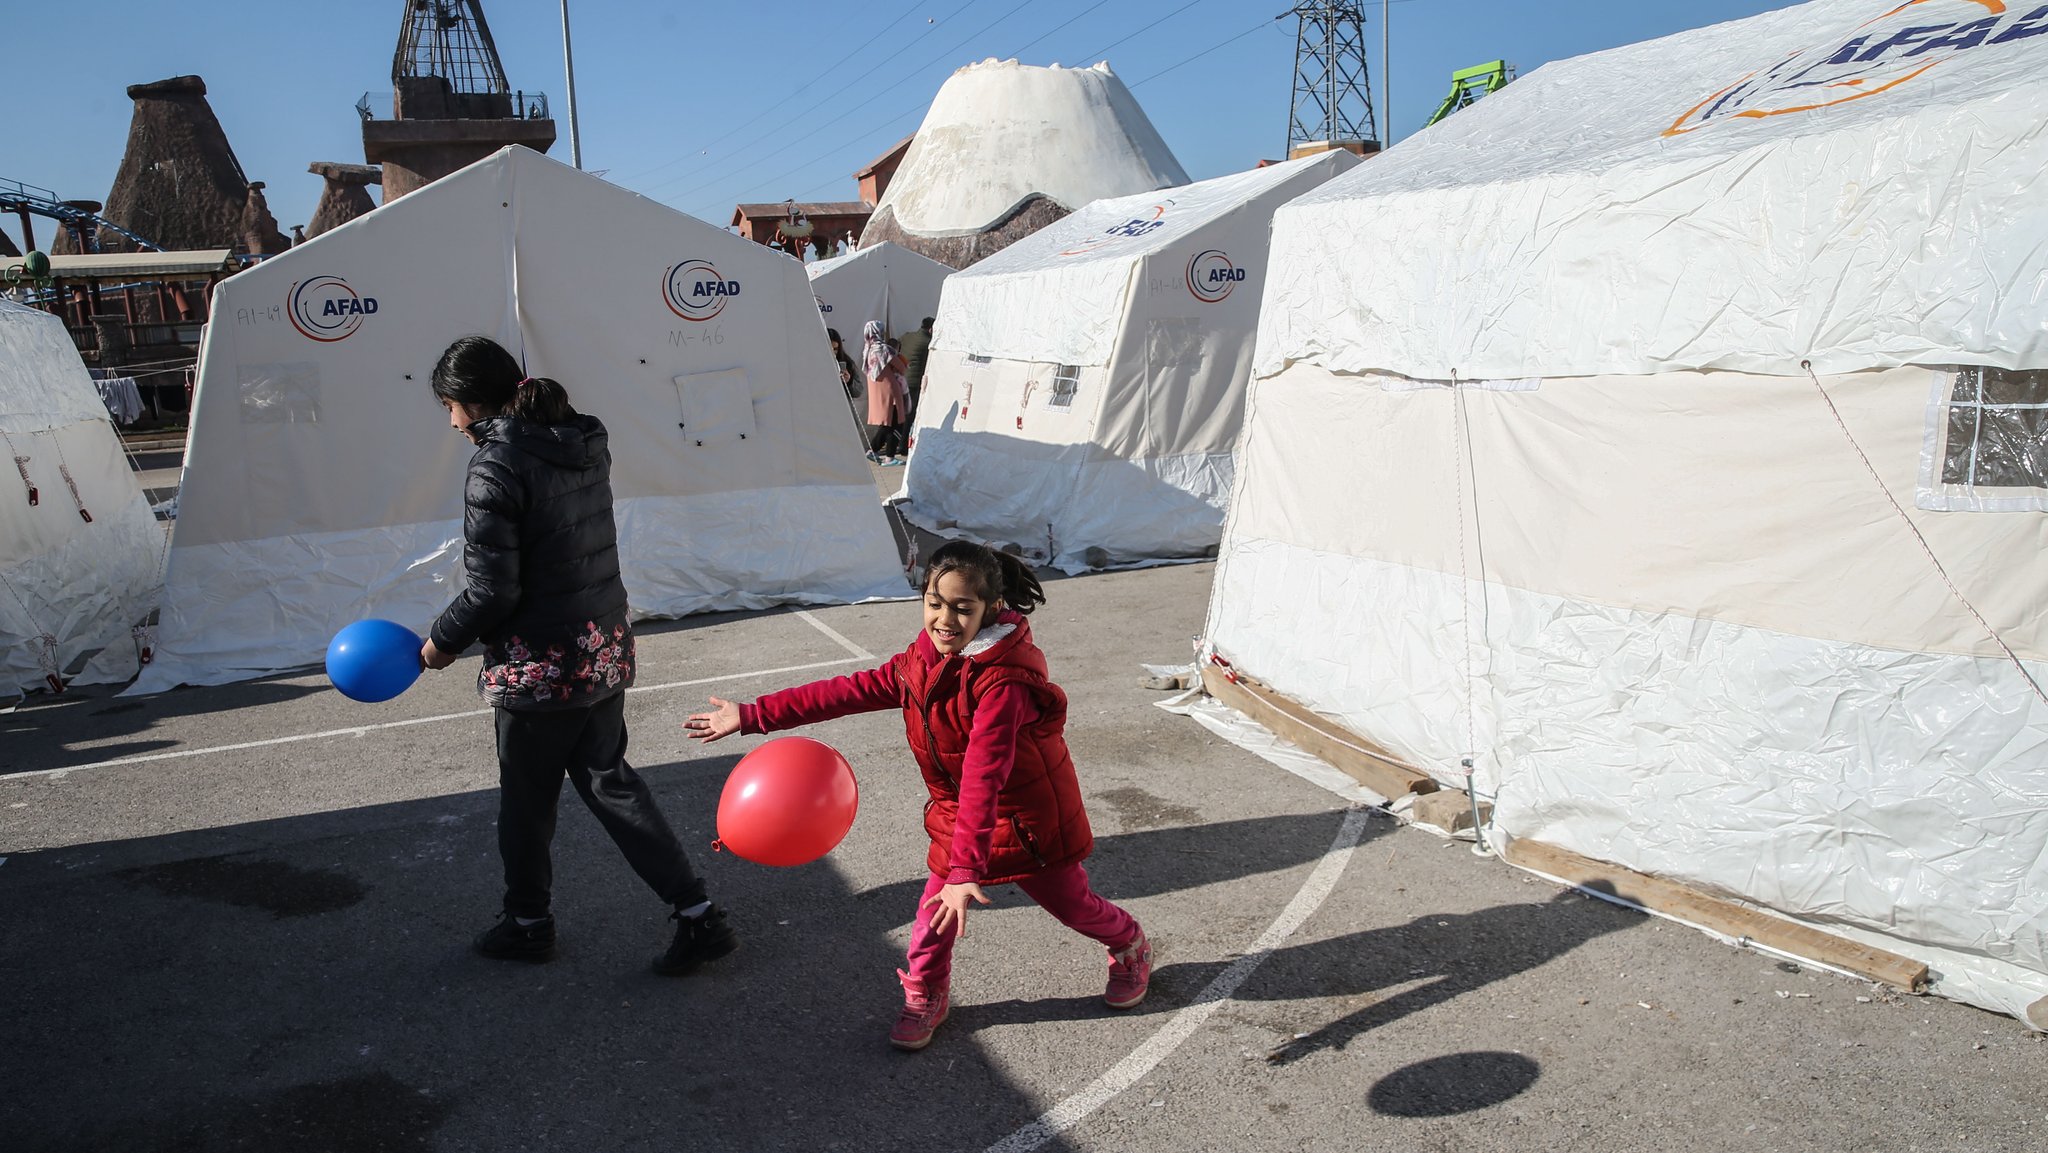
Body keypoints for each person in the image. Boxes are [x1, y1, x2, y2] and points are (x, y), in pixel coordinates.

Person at [684, 540, 1151, 1051]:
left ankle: (1128, 943)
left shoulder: (1005, 682)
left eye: (962, 608)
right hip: (960, 816)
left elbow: (983, 776)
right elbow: (851, 689)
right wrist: (754, 715)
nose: (944, 619)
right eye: (934, 602)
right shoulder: (922, 661)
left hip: (1027, 820)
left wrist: (965, 871)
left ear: (991, 609)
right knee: (932, 919)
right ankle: (926, 991)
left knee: (1074, 907)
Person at [418, 334, 736, 976]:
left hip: (540, 664)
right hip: (600, 646)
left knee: (527, 801)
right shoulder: (581, 441)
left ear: (471, 404)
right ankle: (698, 915)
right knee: (609, 781)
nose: (451, 423)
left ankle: (528, 923)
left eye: (450, 408)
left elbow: (491, 589)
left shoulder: (497, 463)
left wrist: (441, 641)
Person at [861, 320, 909, 465]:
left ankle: (873, 450)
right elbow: (901, 367)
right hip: (890, 390)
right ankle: (889, 456)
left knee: (887, 423)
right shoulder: (885, 349)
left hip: (876, 390)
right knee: (896, 422)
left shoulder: (867, 350)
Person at [895, 317, 934, 421]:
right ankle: (902, 436)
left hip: (898, 379)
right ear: (931, 329)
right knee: (908, 415)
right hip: (912, 383)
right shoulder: (928, 343)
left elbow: (895, 345)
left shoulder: (907, 336)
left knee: (896, 413)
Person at [827, 327, 862, 422]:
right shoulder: (814, 363)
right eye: (830, 349)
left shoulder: (848, 363)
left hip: (844, 415)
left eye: (836, 349)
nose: (833, 353)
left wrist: (849, 381)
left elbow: (858, 391)